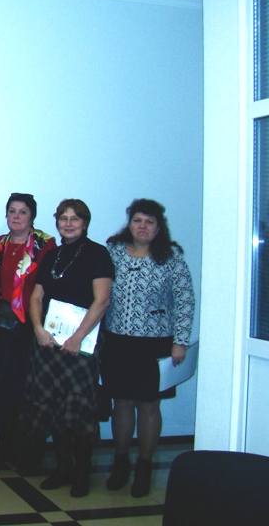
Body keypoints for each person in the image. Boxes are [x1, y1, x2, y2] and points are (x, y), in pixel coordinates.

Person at [101, 199, 194, 497]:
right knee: (122, 403)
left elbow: (185, 301)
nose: (142, 226)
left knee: (149, 405)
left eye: (149, 222)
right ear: (129, 224)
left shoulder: (171, 258)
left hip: (155, 343)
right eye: (137, 220)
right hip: (117, 341)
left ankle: (144, 466)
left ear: (158, 227)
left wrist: (180, 341)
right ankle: (120, 463)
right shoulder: (113, 252)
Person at [26, 199, 114, 498]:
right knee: (54, 406)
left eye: (75, 219)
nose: (68, 223)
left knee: (79, 408)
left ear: (85, 223)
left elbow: (102, 300)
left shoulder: (97, 254)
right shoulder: (52, 255)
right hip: (50, 343)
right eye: (63, 218)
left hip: (82, 345)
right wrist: (38, 329)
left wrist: (77, 338)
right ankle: (63, 467)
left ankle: (82, 472)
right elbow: (36, 297)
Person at [0, 193, 56, 467]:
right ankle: (5, 450)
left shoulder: (45, 244)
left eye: (23, 212)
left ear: (32, 217)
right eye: (12, 211)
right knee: (5, 389)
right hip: (5, 325)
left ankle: (30, 452)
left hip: (35, 325)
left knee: (31, 389)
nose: (16, 216)